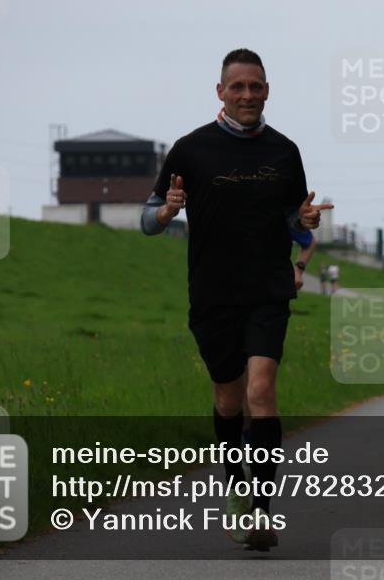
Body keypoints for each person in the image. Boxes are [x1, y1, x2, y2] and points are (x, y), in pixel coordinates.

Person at [140, 48, 332, 552]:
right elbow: (147, 218)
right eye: (238, 86)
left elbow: (294, 219)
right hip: (212, 292)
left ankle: (263, 512)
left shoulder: (284, 151)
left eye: (256, 86)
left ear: (267, 90)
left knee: (261, 391)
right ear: (221, 91)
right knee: (228, 398)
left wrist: (305, 223)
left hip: (268, 287)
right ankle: (236, 490)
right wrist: (168, 213)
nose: (248, 95)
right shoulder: (189, 149)